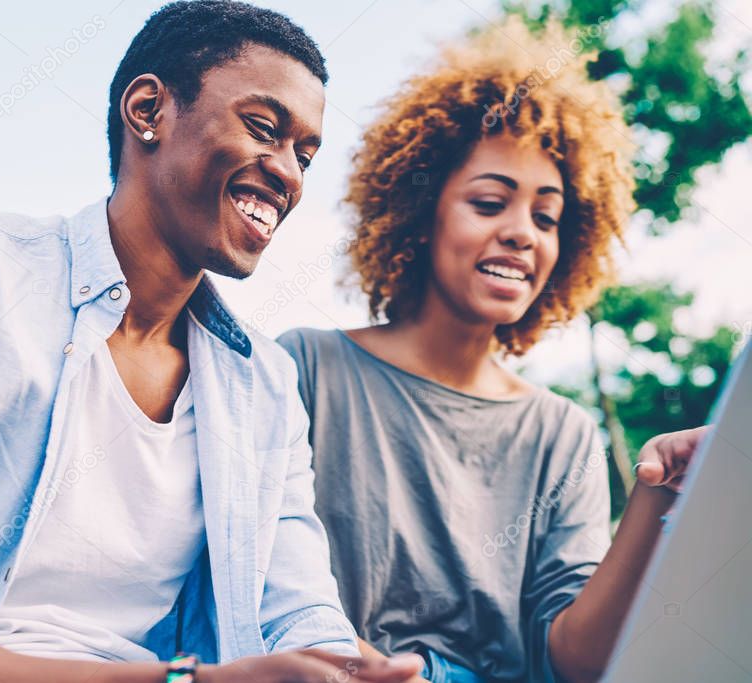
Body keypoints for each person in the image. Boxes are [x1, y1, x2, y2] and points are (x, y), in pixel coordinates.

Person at [0, 3, 430, 682]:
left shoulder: (265, 384)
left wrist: (347, 668)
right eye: (262, 128)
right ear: (148, 110)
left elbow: (299, 617)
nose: (288, 173)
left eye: (305, 155)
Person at [278, 17, 708, 683]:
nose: (521, 234)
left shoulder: (560, 432)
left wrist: (656, 495)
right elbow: (265, 590)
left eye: (546, 216)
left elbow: (576, 660)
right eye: (489, 203)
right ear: (421, 213)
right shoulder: (309, 370)